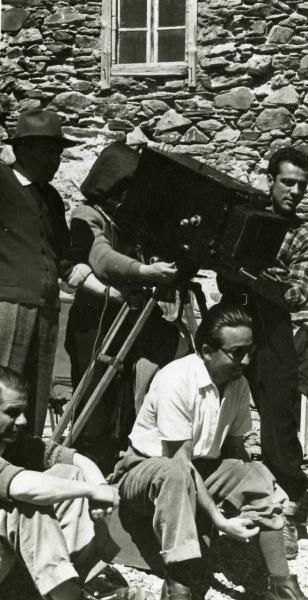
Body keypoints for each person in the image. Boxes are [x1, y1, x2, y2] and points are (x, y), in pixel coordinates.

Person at [113, 304, 308, 600]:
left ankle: (280, 584)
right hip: (148, 473)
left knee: (254, 471)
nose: (245, 360)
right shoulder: (176, 379)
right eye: (237, 353)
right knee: (176, 474)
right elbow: (178, 462)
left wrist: (262, 494)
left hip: (200, 470)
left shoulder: (238, 384)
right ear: (207, 350)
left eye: (250, 351)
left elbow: (235, 451)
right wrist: (219, 521)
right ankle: (178, 583)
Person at [218, 146, 308, 558]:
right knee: (216, 406)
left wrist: (254, 274)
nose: (294, 191)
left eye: (301, 184)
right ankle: (218, 497)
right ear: (270, 180)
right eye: (287, 182)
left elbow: (295, 295)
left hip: (273, 328)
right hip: (230, 319)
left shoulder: (306, 238)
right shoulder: (245, 217)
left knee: (278, 420)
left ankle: (289, 510)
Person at [64, 141, 185, 474]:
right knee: (94, 405)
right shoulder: (87, 215)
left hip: (130, 322)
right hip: (95, 321)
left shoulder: (132, 224)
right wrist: (144, 272)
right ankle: (87, 472)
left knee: (123, 403)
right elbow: (101, 257)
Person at [0, 364, 132, 600]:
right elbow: (22, 486)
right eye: (12, 412)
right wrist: (90, 491)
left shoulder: (15, 442)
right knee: (29, 505)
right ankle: (70, 594)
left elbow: (76, 460)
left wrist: (100, 488)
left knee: (67, 474)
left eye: (23, 412)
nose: (22, 421)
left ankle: (88, 578)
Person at [0, 109, 74, 437]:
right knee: (4, 394)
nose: (56, 159)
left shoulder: (53, 199)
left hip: (46, 310)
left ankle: (25, 468)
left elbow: (65, 259)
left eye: (59, 152)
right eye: (49, 150)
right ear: (24, 148)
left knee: (35, 396)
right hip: (8, 306)